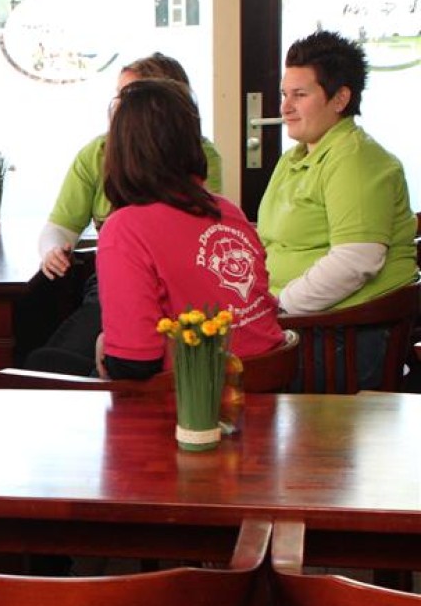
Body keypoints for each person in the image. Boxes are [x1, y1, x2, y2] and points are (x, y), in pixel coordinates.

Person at [28, 54, 224, 372]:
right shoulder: (96, 153)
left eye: (129, 98)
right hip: (116, 283)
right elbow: (61, 225)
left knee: (50, 368)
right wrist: (53, 249)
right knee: (51, 360)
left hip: (176, 289)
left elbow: (134, 363)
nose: (118, 108)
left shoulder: (200, 160)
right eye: (117, 97)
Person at [256, 30, 417, 389]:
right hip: (301, 325)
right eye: (284, 94)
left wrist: (277, 306)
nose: (284, 107)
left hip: (342, 336)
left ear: (340, 98)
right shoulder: (295, 157)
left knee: (221, 373)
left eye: (300, 95)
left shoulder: (355, 159)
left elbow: (356, 261)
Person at [95, 78, 285, 379]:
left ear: (121, 150)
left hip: (193, 400)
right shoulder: (228, 211)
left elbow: (134, 364)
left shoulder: (124, 229)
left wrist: (102, 347)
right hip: (270, 387)